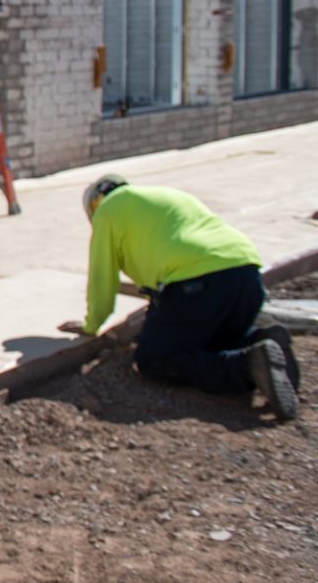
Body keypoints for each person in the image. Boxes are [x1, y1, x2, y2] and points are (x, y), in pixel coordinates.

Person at [57, 174, 299, 420]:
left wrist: (92, 323)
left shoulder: (107, 211)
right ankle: (261, 341)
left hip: (199, 283)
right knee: (207, 343)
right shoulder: (165, 199)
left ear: (94, 205)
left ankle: (246, 366)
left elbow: (102, 277)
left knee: (154, 358)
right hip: (247, 276)